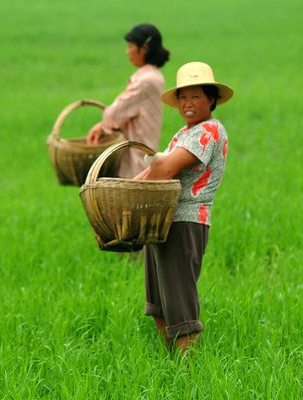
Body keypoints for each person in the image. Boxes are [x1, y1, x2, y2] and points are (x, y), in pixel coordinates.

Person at [133, 62, 233, 354]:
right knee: (160, 303)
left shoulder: (209, 131)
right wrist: (127, 185)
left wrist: (152, 166)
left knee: (180, 303)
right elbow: (155, 169)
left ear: (212, 100)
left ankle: (188, 378)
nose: (188, 103)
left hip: (185, 222)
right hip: (163, 220)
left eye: (197, 97)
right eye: (183, 97)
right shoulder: (183, 133)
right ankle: (171, 367)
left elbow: (164, 168)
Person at [87, 23, 170, 179]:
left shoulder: (146, 80)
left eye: (130, 46)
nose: (128, 52)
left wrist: (103, 125)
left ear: (144, 48)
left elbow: (115, 114)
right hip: (143, 154)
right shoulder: (154, 76)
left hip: (135, 159)